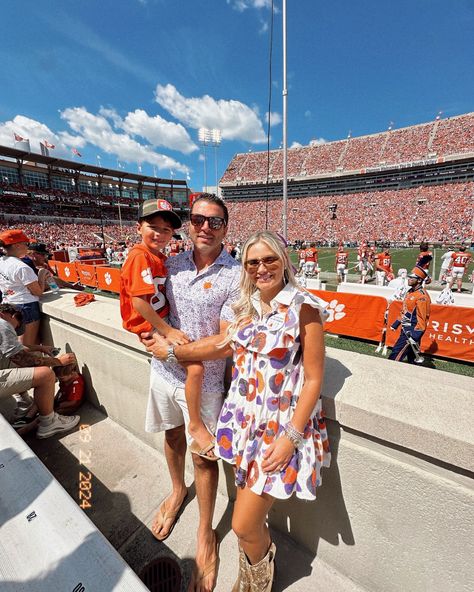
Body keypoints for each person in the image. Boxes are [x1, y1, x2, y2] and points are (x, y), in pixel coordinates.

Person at [146, 231, 331, 592]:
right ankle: (251, 573)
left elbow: (313, 380)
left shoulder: (304, 307)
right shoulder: (247, 306)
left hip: (279, 430)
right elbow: (220, 345)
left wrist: (290, 439)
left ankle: (256, 581)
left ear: (283, 260)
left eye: (269, 260)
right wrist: (170, 352)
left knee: (244, 524)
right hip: (245, 425)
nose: (261, 268)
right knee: (250, 520)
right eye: (252, 263)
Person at [141, 194, 240, 592]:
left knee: (204, 459)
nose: (204, 227)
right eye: (198, 219)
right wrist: (154, 337)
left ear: (225, 229)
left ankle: (205, 534)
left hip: (206, 382)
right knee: (171, 435)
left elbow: (226, 341)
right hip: (164, 372)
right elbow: (152, 308)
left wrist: (173, 349)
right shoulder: (171, 262)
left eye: (214, 222)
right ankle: (176, 491)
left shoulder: (235, 274)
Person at [120, 199, 211, 460]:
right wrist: (166, 330)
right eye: (153, 227)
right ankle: (195, 424)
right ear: (138, 227)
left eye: (166, 230)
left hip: (157, 323)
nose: (159, 234)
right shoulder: (139, 256)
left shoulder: (157, 257)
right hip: (152, 327)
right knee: (195, 367)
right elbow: (139, 301)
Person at [0, 303, 80, 438]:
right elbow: (21, 358)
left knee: (18, 362)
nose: (14, 329)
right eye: (16, 325)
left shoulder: (4, 323)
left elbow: (13, 347)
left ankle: (25, 403)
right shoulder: (3, 324)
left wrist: (39, 348)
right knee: (46, 375)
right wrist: (58, 362)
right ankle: (49, 423)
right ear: (8, 315)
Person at [0, 229, 51, 345]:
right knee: (26, 346)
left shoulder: (2, 261)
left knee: (18, 343)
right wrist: (41, 275)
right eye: (26, 244)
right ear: (17, 245)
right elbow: (37, 292)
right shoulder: (21, 267)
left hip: (8, 304)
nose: (27, 247)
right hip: (25, 307)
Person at [388, 265, 431, 363]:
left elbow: (422, 317)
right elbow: (405, 311)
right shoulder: (410, 292)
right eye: (409, 277)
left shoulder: (422, 296)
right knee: (412, 358)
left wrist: (415, 335)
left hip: (411, 332)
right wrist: (396, 324)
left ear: (419, 280)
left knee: (395, 355)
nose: (409, 279)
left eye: (412, 278)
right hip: (405, 328)